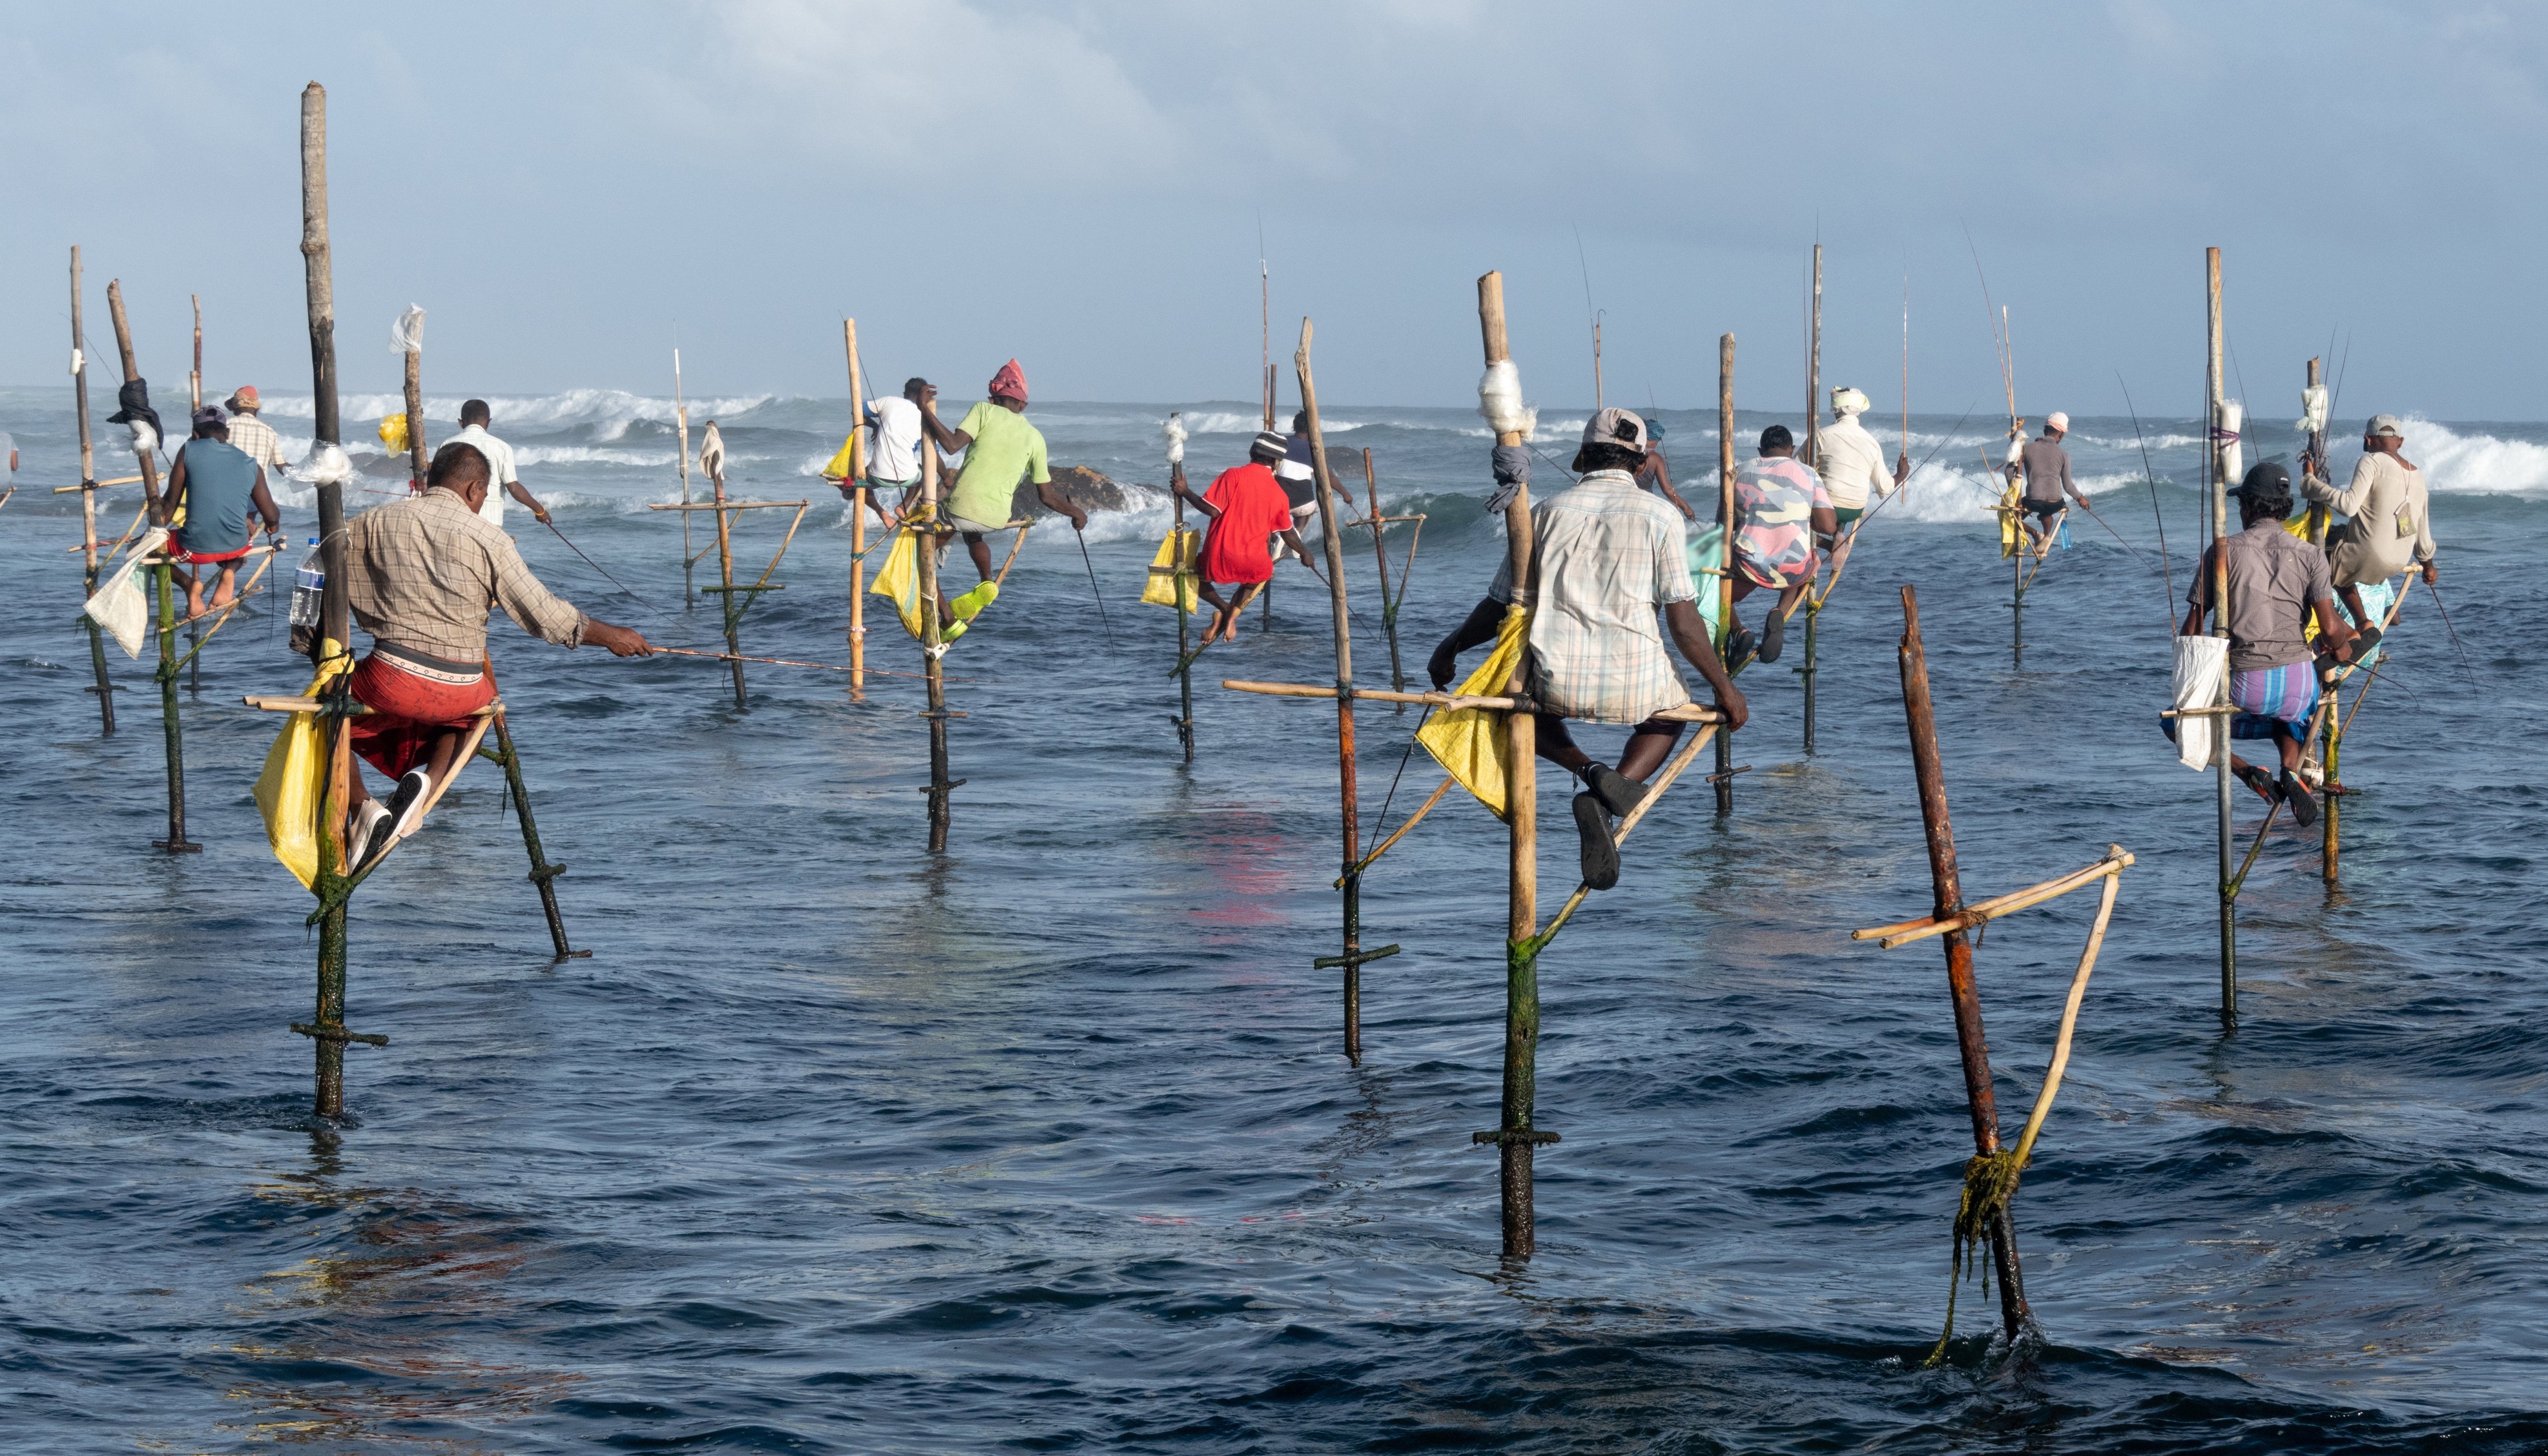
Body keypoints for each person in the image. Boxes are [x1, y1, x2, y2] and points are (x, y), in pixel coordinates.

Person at [1427, 409, 1748, 891]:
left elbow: (1500, 605)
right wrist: (1724, 687)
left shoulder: (1546, 512)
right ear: (1640, 465)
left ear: (1581, 456)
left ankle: (1588, 770)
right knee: (1672, 714)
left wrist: (1449, 647)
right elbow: (1683, 622)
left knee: (1518, 707)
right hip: (1637, 683)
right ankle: (1607, 791)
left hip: (1556, 681)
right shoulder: (1661, 515)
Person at [338, 440, 652, 870]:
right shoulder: (490, 538)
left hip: (391, 677)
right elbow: (543, 614)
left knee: (325, 711)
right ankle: (425, 786)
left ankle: (362, 809)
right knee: (478, 712)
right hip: (463, 686)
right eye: (484, 496)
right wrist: (610, 634)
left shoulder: (370, 523)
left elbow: (326, 576)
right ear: (473, 489)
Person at [2173, 462, 2365, 825]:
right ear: (2284, 508)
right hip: (2300, 685)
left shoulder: (2223, 551)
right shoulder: (2310, 554)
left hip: (2247, 685)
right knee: (2290, 715)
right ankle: (2289, 769)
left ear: (2247, 506)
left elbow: (2193, 632)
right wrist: (2344, 643)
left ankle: (2247, 772)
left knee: (2177, 723)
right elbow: (2329, 629)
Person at [918, 359, 1087, 584]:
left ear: (993, 399)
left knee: (918, 553)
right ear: (1023, 406)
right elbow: (1048, 497)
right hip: (996, 519)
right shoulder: (1036, 437)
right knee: (973, 534)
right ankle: (987, 582)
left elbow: (951, 445)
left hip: (961, 509)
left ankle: (947, 617)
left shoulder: (983, 410)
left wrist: (923, 408)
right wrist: (1076, 513)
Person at [1170, 431, 1315, 644]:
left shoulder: (1233, 475)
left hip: (1219, 557)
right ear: (1276, 462)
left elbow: (1212, 510)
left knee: (1192, 575)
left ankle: (1224, 610)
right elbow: (1288, 532)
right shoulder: (1279, 494)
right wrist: (1305, 553)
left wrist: (1186, 491)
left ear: (1251, 453)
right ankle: (1229, 616)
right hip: (1254, 562)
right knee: (1262, 575)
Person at [2303, 413, 2438, 631]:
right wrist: (2429, 568)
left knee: (2316, 565)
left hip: (2368, 556)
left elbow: (2348, 506)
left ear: (2367, 440)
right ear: (2400, 442)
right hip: (2397, 563)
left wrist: (2310, 483)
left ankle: (2340, 635)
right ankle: (2363, 624)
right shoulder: (2418, 475)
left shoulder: (2371, 461)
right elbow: (2423, 536)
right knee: (2340, 573)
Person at [1723, 425, 1834, 668]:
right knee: (1805, 568)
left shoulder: (1740, 471)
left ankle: (1738, 631)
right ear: (1792, 450)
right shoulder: (1809, 473)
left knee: (1719, 593)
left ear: (1760, 451)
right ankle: (1779, 615)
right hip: (1791, 569)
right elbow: (1826, 525)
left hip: (1749, 565)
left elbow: (1724, 521)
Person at [165, 406, 283, 619]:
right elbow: (272, 516)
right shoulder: (250, 463)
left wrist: (153, 527)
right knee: (244, 537)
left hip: (195, 548)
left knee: (146, 550)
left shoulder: (188, 450)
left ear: (195, 435)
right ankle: (229, 572)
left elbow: (169, 507)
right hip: (235, 547)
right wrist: (273, 525)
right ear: (227, 434)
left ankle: (190, 586)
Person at [831, 376, 927, 527]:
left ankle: (881, 512)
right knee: (923, 477)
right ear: (925, 396)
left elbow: (856, 412)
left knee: (861, 483)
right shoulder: (926, 417)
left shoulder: (889, 401)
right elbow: (932, 455)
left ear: (904, 393)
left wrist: (876, 426)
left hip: (877, 476)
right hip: (908, 477)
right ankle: (903, 506)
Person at [445, 400, 549, 529]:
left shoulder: (447, 445)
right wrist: (540, 510)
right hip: (491, 521)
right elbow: (514, 488)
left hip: (456, 519)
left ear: (461, 423)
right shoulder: (502, 447)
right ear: (488, 422)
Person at [2011, 411, 2090, 549]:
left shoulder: (2026, 448)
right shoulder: (2064, 455)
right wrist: (2081, 498)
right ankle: (2046, 536)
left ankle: (2036, 534)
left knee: (2011, 518)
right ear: (2061, 435)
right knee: (2047, 511)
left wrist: (2012, 494)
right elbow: (2068, 486)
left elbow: (2009, 472)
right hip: (2056, 503)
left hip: (2033, 501)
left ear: (2045, 430)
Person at [1631, 417, 1700, 520]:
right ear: (1654, 439)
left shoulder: (1627, 452)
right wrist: (1686, 507)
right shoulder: (1656, 459)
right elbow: (1667, 490)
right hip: (1645, 503)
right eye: (1658, 439)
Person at [222, 385, 289, 477]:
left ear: (235, 408)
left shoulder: (224, 426)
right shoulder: (269, 432)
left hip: (228, 486)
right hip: (259, 489)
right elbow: (281, 466)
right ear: (257, 408)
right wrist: (307, 474)